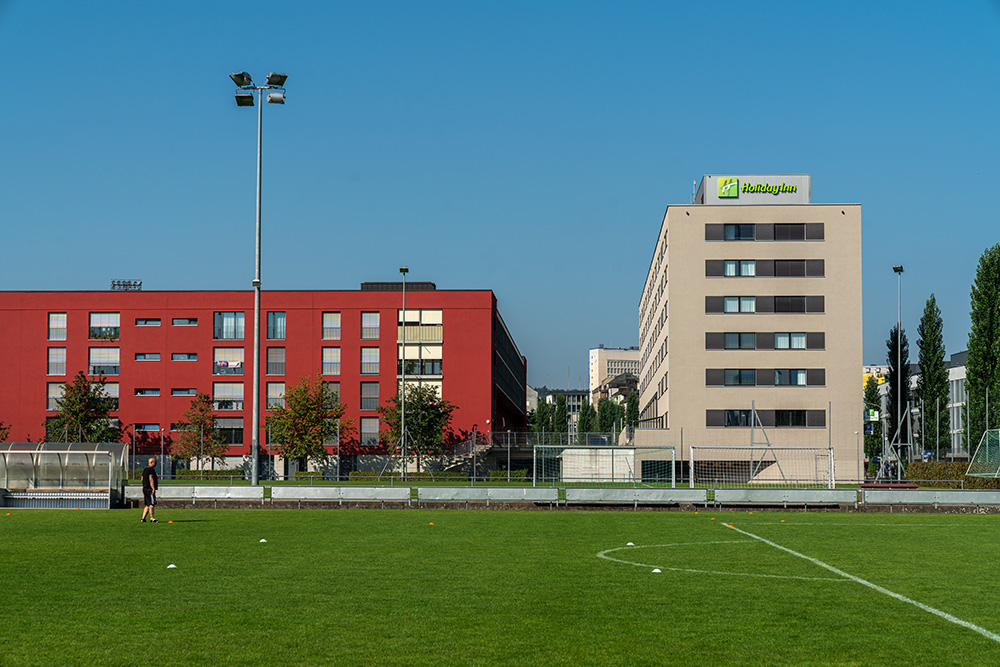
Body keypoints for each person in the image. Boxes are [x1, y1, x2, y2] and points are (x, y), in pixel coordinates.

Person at [140, 457, 159, 523]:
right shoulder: (151, 469)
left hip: (144, 488)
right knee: (151, 503)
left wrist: (144, 483)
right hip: (149, 489)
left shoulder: (145, 469)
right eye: (155, 462)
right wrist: (153, 488)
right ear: (151, 462)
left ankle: (143, 519)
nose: (156, 464)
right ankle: (152, 518)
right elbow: (151, 478)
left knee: (147, 504)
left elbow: (142, 478)